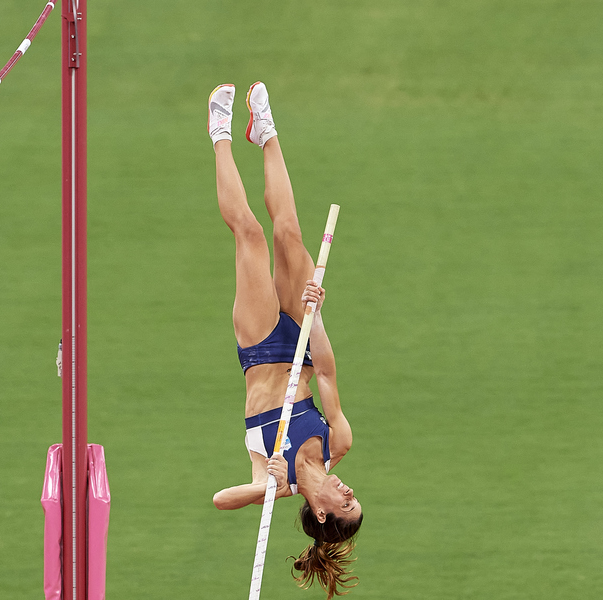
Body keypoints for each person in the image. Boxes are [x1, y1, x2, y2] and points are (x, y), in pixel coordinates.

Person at [208, 81, 363, 598]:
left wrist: (263, 485)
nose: (347, 491)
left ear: (320, 510)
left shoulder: (276, 483)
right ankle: (266, 133)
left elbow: (220, 499)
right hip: (299, 338)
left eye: (344, 503)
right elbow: (326, 372)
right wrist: (316, 313)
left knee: (249, 236)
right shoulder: (338, 442)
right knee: (288, 233)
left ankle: (220, 132)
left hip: (258, 349)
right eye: (354, 497)